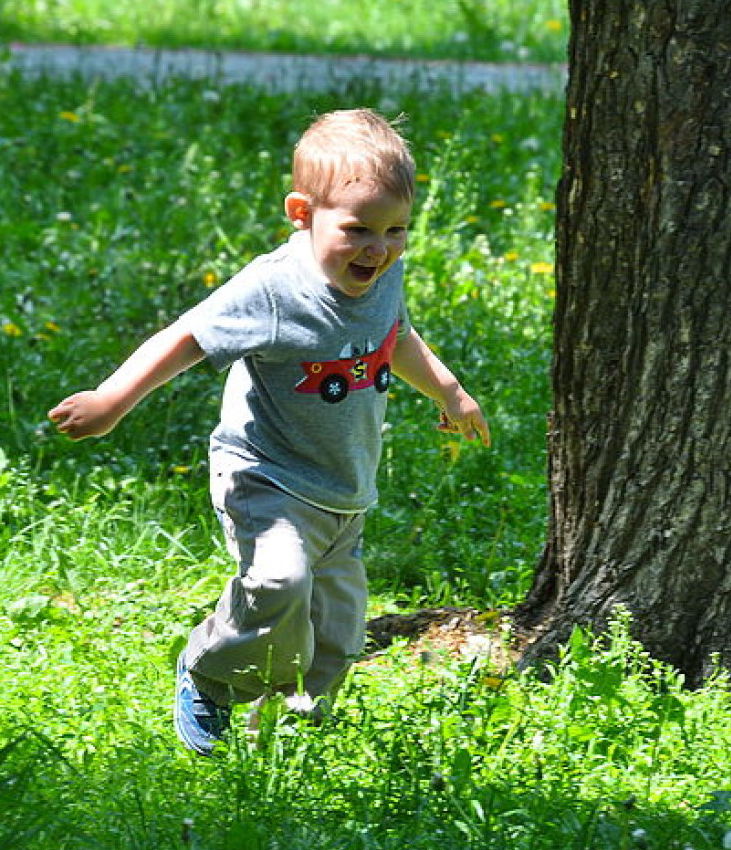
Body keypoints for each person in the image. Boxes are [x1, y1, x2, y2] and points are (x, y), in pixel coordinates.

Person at [49, 109, 490, 754]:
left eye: (397, 230)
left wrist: (449, 390)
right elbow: (187, 338)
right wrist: (112, 400)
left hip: (345, 490)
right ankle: (209, 676)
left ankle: (288, 736)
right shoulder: (274, 289)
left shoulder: (383, 270)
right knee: (279, 584)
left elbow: (394, 334)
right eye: (359, 230)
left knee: (337, 636)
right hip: (267, 475)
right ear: (301, 213)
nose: (380, 248)